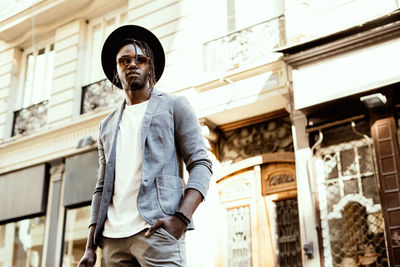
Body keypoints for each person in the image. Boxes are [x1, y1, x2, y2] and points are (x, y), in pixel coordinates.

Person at [78, 25, 212, 267]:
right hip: (112, 239)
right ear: (116, 71)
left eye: (140, 60)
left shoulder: (174, 106)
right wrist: (90, 246)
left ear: (150, 68)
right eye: (125, 60)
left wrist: (181, 218)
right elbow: (101, 188)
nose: (132, 64)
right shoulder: (106, 126)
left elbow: (201, 163)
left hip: (156, 231)